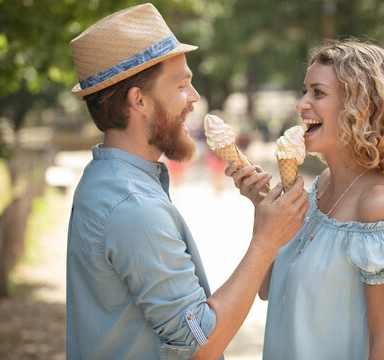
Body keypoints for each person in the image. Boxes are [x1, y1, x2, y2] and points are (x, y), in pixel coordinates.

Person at [66, 3, 310, 360]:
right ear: (139, 99)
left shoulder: (106, 178)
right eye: (182, 85)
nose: (195, 98)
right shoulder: (132, 206)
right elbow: (199, 344)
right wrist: (266, 241)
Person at [226, 40, 384, 359]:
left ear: (359, 107)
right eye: (304, 91)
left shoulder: (378, 205)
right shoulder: (320, 186)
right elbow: (269, 290)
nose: (302, 104)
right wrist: (262, 208)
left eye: (318, 93)